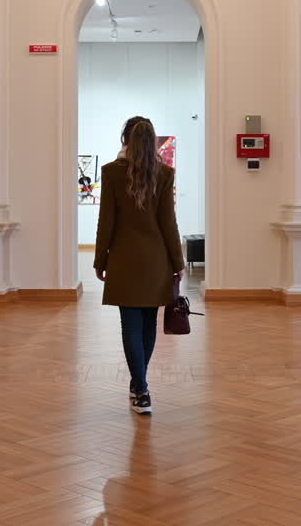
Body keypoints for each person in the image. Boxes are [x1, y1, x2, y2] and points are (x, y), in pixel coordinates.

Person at [94, 116, 185, 415]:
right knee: (148, 326)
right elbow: (168, 224)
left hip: (123, 261)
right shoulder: (164, 173)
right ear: (152, 140)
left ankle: (141, 388)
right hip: (156, 261)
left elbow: (106, 221)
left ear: (125, 140)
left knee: (130, 326)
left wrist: (100, 260)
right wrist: (178, 262)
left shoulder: (111, 173)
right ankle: (140, 386)